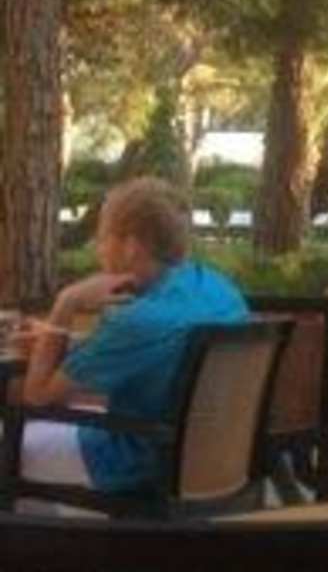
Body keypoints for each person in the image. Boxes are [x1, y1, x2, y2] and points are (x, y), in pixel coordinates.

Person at [17, 176, 249, 494]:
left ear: (131, 246)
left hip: (137, 462)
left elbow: (37, 395)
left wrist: (66, 302)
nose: (97, 248)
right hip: (211, 461)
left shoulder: (136, 322)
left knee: (11, 436)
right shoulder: (220, 289)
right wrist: (61, 343)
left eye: (102, 237)